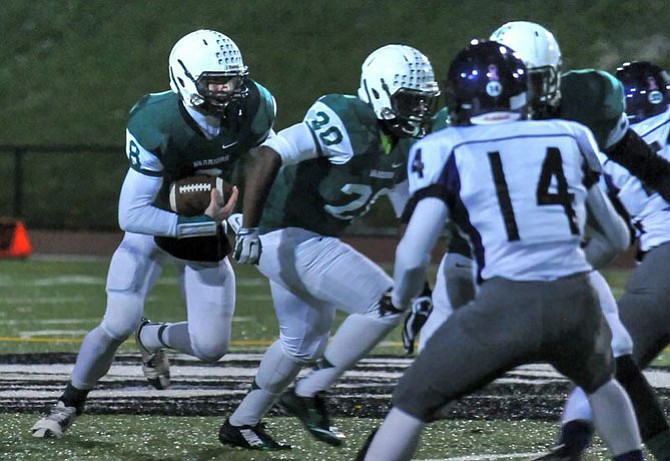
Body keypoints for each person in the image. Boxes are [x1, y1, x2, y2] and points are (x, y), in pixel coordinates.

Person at [356, 39, 645, 461]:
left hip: (504, 301)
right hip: (576, 298)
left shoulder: (444, 146)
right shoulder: (570, 134)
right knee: (601, 381)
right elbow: (617, 237)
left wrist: (399, 299)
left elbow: (413, 253)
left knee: (413, 398)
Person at [30, 29, 276, 438]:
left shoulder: (255, 106)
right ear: (184, 78)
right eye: (215, 80)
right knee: (116, 322)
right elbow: (131, 213)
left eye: (233, 79)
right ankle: (68, 402)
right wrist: (204, 221)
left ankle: (152, 336)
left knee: (213, 348)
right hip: (158, 222)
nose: (228, 89)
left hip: (209, 229)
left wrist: (245, 223)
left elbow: (263, 165)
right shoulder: (157, 123)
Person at [217, 44, 440, 450]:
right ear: (379, 92)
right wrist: (247, 229)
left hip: (304, 237)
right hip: (278, 231)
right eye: (409, 100)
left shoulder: (405, 146)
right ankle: (309, 392)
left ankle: (241, 423)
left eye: (424, 102)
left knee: (302, 342)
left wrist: (423, 285)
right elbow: (269, 154)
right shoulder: (346, 118)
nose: (418, 111)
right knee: (386, 302)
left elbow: (412, 219)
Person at [547, 60, 670, 461]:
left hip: (664, 266)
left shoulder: (607, 144)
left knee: (607, 363)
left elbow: (610, 233)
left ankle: (572, 443)